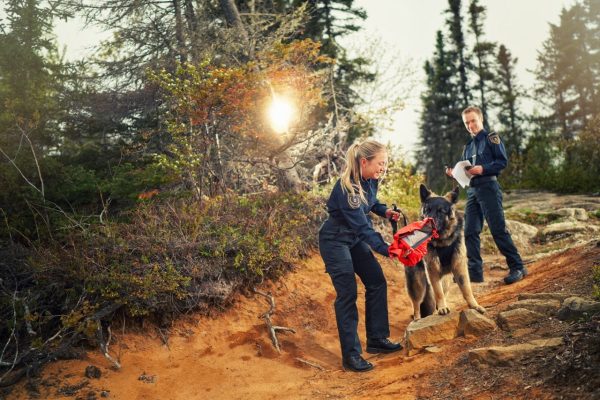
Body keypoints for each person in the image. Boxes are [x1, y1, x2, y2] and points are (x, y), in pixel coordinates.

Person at [318, 139, 402, 373]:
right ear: (364, 162)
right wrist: (386, 249)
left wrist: (385, 211)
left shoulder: (370, 180)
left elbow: (372, 203)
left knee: (376, 281)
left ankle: (377, 339)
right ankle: (351, 356)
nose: (383, 168)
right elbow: (364, 229)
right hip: (335, 240)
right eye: (380, 163)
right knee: (347, 294)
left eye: (385, 164)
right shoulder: (348, 189)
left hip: (352, 238)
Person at [445, 105, 527, 285]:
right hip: (473, 191)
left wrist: (483, 168)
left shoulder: (491, 139)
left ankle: (518, 267)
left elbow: (502, 162)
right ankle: (474, 273)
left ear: (481, 120)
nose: (470, 125)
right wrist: (454, 173)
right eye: (467, 123)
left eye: (473, 121)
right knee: (470, 231)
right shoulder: (468, 146)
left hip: (489, 188)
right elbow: (466, 171)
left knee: (498, 229)